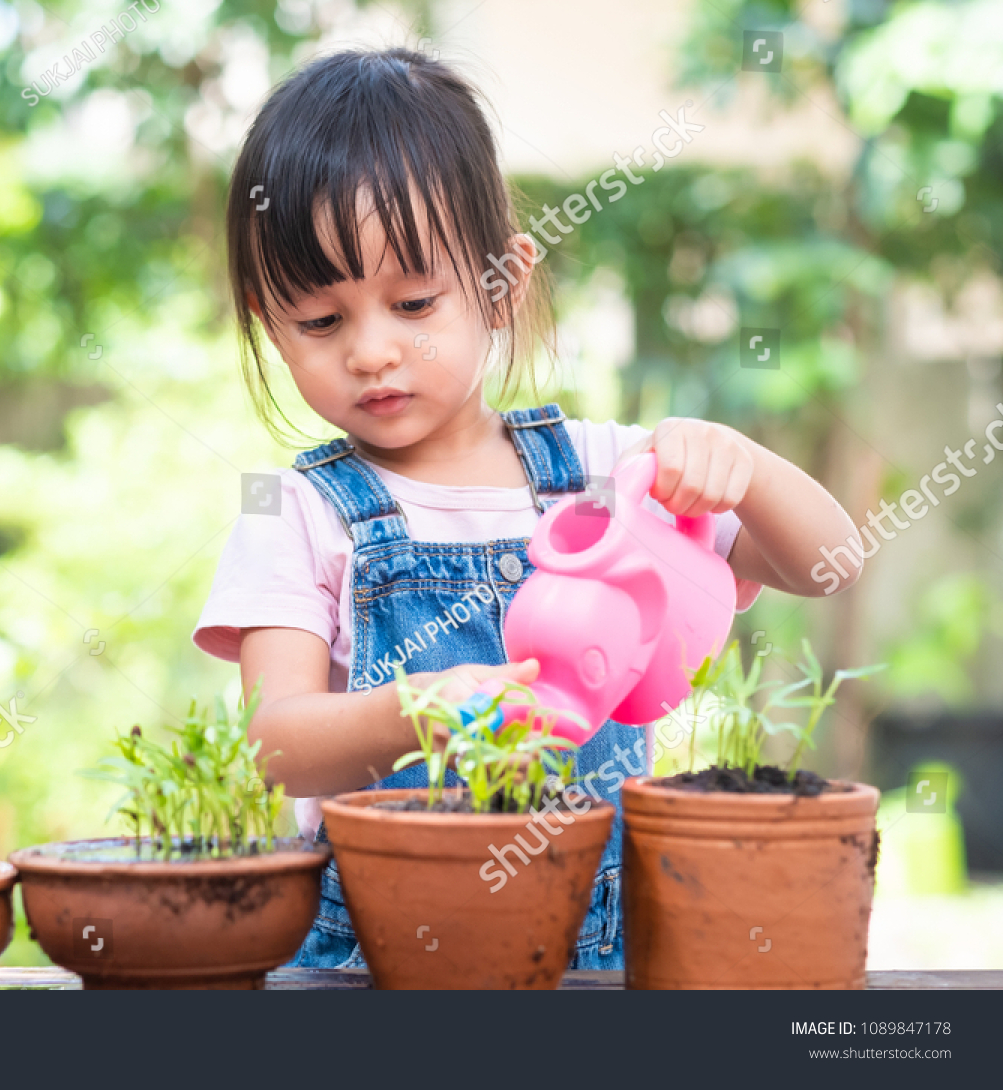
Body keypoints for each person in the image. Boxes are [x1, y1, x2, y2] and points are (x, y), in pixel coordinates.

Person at [192, 47, 863, 970]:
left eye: (414, 301)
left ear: (501, 283)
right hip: (381, 969)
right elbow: (277, 746)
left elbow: (828, 564)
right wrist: (427, 706)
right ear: (273, 323)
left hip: (603, 962)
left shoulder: (605, 475)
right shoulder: (296, 512)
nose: (373, 351)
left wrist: (739, 466)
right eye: (321, 321)